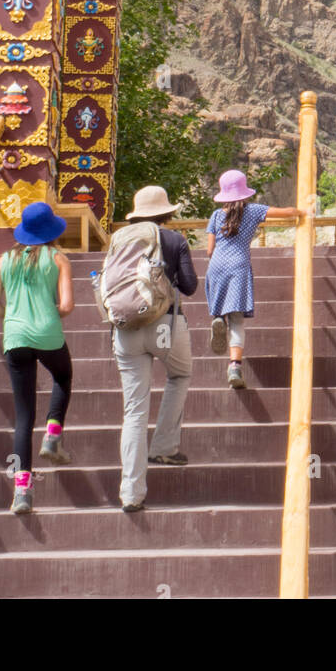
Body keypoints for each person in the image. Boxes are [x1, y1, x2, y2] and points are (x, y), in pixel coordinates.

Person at [0, 200, 75, 515]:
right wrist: (45, 313)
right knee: (62, 377)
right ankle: (53, 434)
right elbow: (66, 306)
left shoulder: (4, 260)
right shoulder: (59, 259)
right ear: (51, 230)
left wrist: (16, 314)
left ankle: (22, 490)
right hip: (48, 334)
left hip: (15, 338)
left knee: (23, 418)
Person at [109, 185, 198, 513]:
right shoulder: (174, 240)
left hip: (125, 328)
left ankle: (131, 493)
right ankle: (163, 445)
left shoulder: (119, 240)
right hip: (164, 326)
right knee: (180, 374)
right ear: (167, 213)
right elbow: (189, 286)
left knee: (133, 411)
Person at [205, 169, 298, 389]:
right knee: (237, 320)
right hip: (239, 266)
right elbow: (286, 212)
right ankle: (234, 366)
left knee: (223, 311)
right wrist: (304, 211)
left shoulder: (216, 216)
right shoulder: (253, 211)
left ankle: (218, 318)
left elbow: (209, 250)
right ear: (244, 193)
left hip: (216, 266)